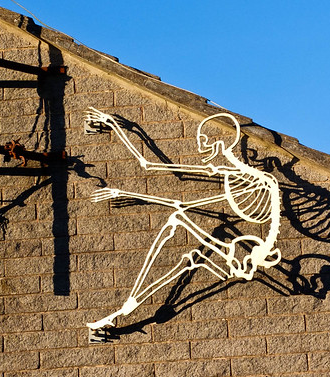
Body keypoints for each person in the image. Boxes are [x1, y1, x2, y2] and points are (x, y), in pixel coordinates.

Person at [85, 107, 281, 329]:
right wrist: (124, 192)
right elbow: (182, 202)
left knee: (178, 222)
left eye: (204, 142)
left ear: (219, 144)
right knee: (184, 238)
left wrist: (116, 125)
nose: (201, 148)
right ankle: (125, 310)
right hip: (251, 250)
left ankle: (124, 309)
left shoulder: (247, 177)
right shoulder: (238, 176)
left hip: (251, 251)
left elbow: (149, 165)